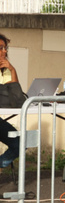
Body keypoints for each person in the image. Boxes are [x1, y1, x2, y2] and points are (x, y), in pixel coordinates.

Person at [0, 33, 24, 168]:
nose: (4, 51)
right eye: (1, 48)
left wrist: (12, 69)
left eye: (5, 48)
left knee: (20, 143)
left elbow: (15, 94)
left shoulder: (6, 69)